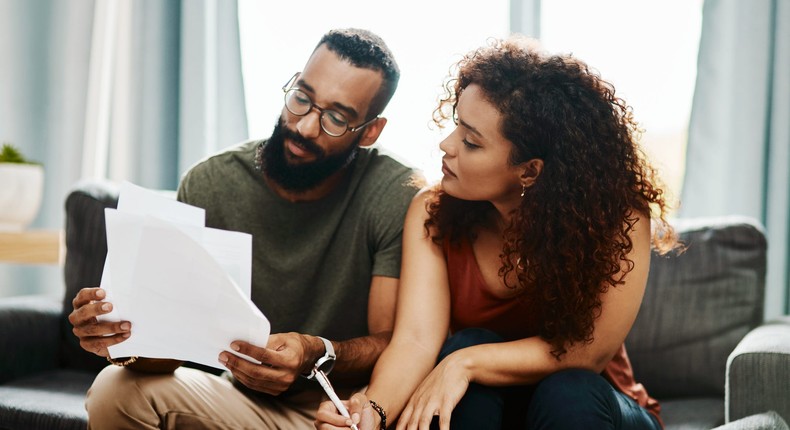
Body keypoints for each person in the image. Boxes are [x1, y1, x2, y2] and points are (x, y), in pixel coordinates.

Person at [316, 36, 679, 430]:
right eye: (456, 126)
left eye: (471, 142)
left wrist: (465, 364)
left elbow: (585, 354)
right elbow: (416, 341)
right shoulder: (431, 210)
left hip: (593, 411)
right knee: (466, 343)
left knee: (565, 388)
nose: (446, 145)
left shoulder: (618, 217)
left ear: (530, 171)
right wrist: (372, 411)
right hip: (495, 414)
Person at [68, 28, 421, 429]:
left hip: (340, 412)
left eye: (336, 118)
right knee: (116, 388)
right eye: (302, 98)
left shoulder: (394, 192)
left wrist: (315, 352)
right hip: (237, 401)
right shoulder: (212, 182)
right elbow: (172, 349)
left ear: (370, 131)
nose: (305, 127)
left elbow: (392, 340)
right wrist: (120, 336)